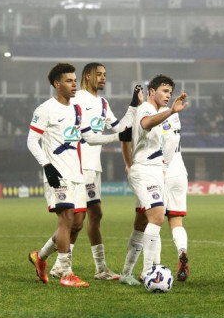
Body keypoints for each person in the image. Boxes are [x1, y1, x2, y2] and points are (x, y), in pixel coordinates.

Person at [26, 62, 132, 287]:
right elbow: (31, 140)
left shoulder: (76, 109)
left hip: (78, 173)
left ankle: (41, 257)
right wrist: (46, 165)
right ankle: (66, 274)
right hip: (57, 172)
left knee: (77, 224)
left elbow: (89, 138)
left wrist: (117, 137)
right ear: (57, 84)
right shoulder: (45, 109)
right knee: (66, 219)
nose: (74, 84)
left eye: (74, 80)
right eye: (68, 80)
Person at [49, 62, 142, 281]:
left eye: (105, 75)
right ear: (87, 76)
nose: (103, 78)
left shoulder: (102, 103)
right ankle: (53, 262)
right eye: (99, 74)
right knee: (76, 221)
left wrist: (134, 105)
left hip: (94, 167)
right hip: (79, 165)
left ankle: (100, 268)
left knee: (95, 214)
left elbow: (119, 128)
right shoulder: (77, 98)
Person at [118, 75, 188, 286]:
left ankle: (126, 273)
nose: (168, 96)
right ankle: (149, 271)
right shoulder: (147, 110)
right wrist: (171, 112)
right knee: (158, 216)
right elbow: (146, 123)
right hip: (145, 171)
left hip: (156, 171)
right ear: (152, 91)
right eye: (164, 91)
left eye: (170, 92)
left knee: (142, 223)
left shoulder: (152, 110)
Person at [160, 109, 190, 282]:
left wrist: (163, 166)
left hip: (162, 171)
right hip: (180, 173)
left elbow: (169, 140)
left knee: (153, 221)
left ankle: (151, 267)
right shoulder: (174, 114)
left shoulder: (154, 113)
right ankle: (182, 251)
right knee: (176, 222)